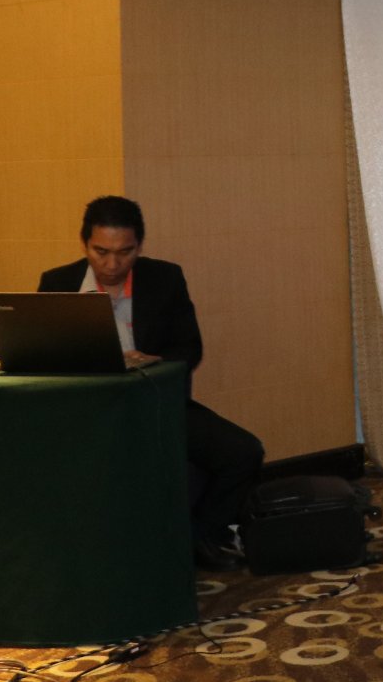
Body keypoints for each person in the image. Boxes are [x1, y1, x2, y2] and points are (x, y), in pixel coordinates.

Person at [38, 195, 264, 571]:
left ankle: (203, 535)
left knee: (244, 452)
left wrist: (156, 362)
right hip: (86, 412)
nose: (112, 264)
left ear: (139, 246)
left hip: (153, 402)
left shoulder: (164, 279)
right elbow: (41, 354)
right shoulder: (58, 283)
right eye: (101, 252)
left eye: (124, 252)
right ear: (85, 244)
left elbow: (189, 348)